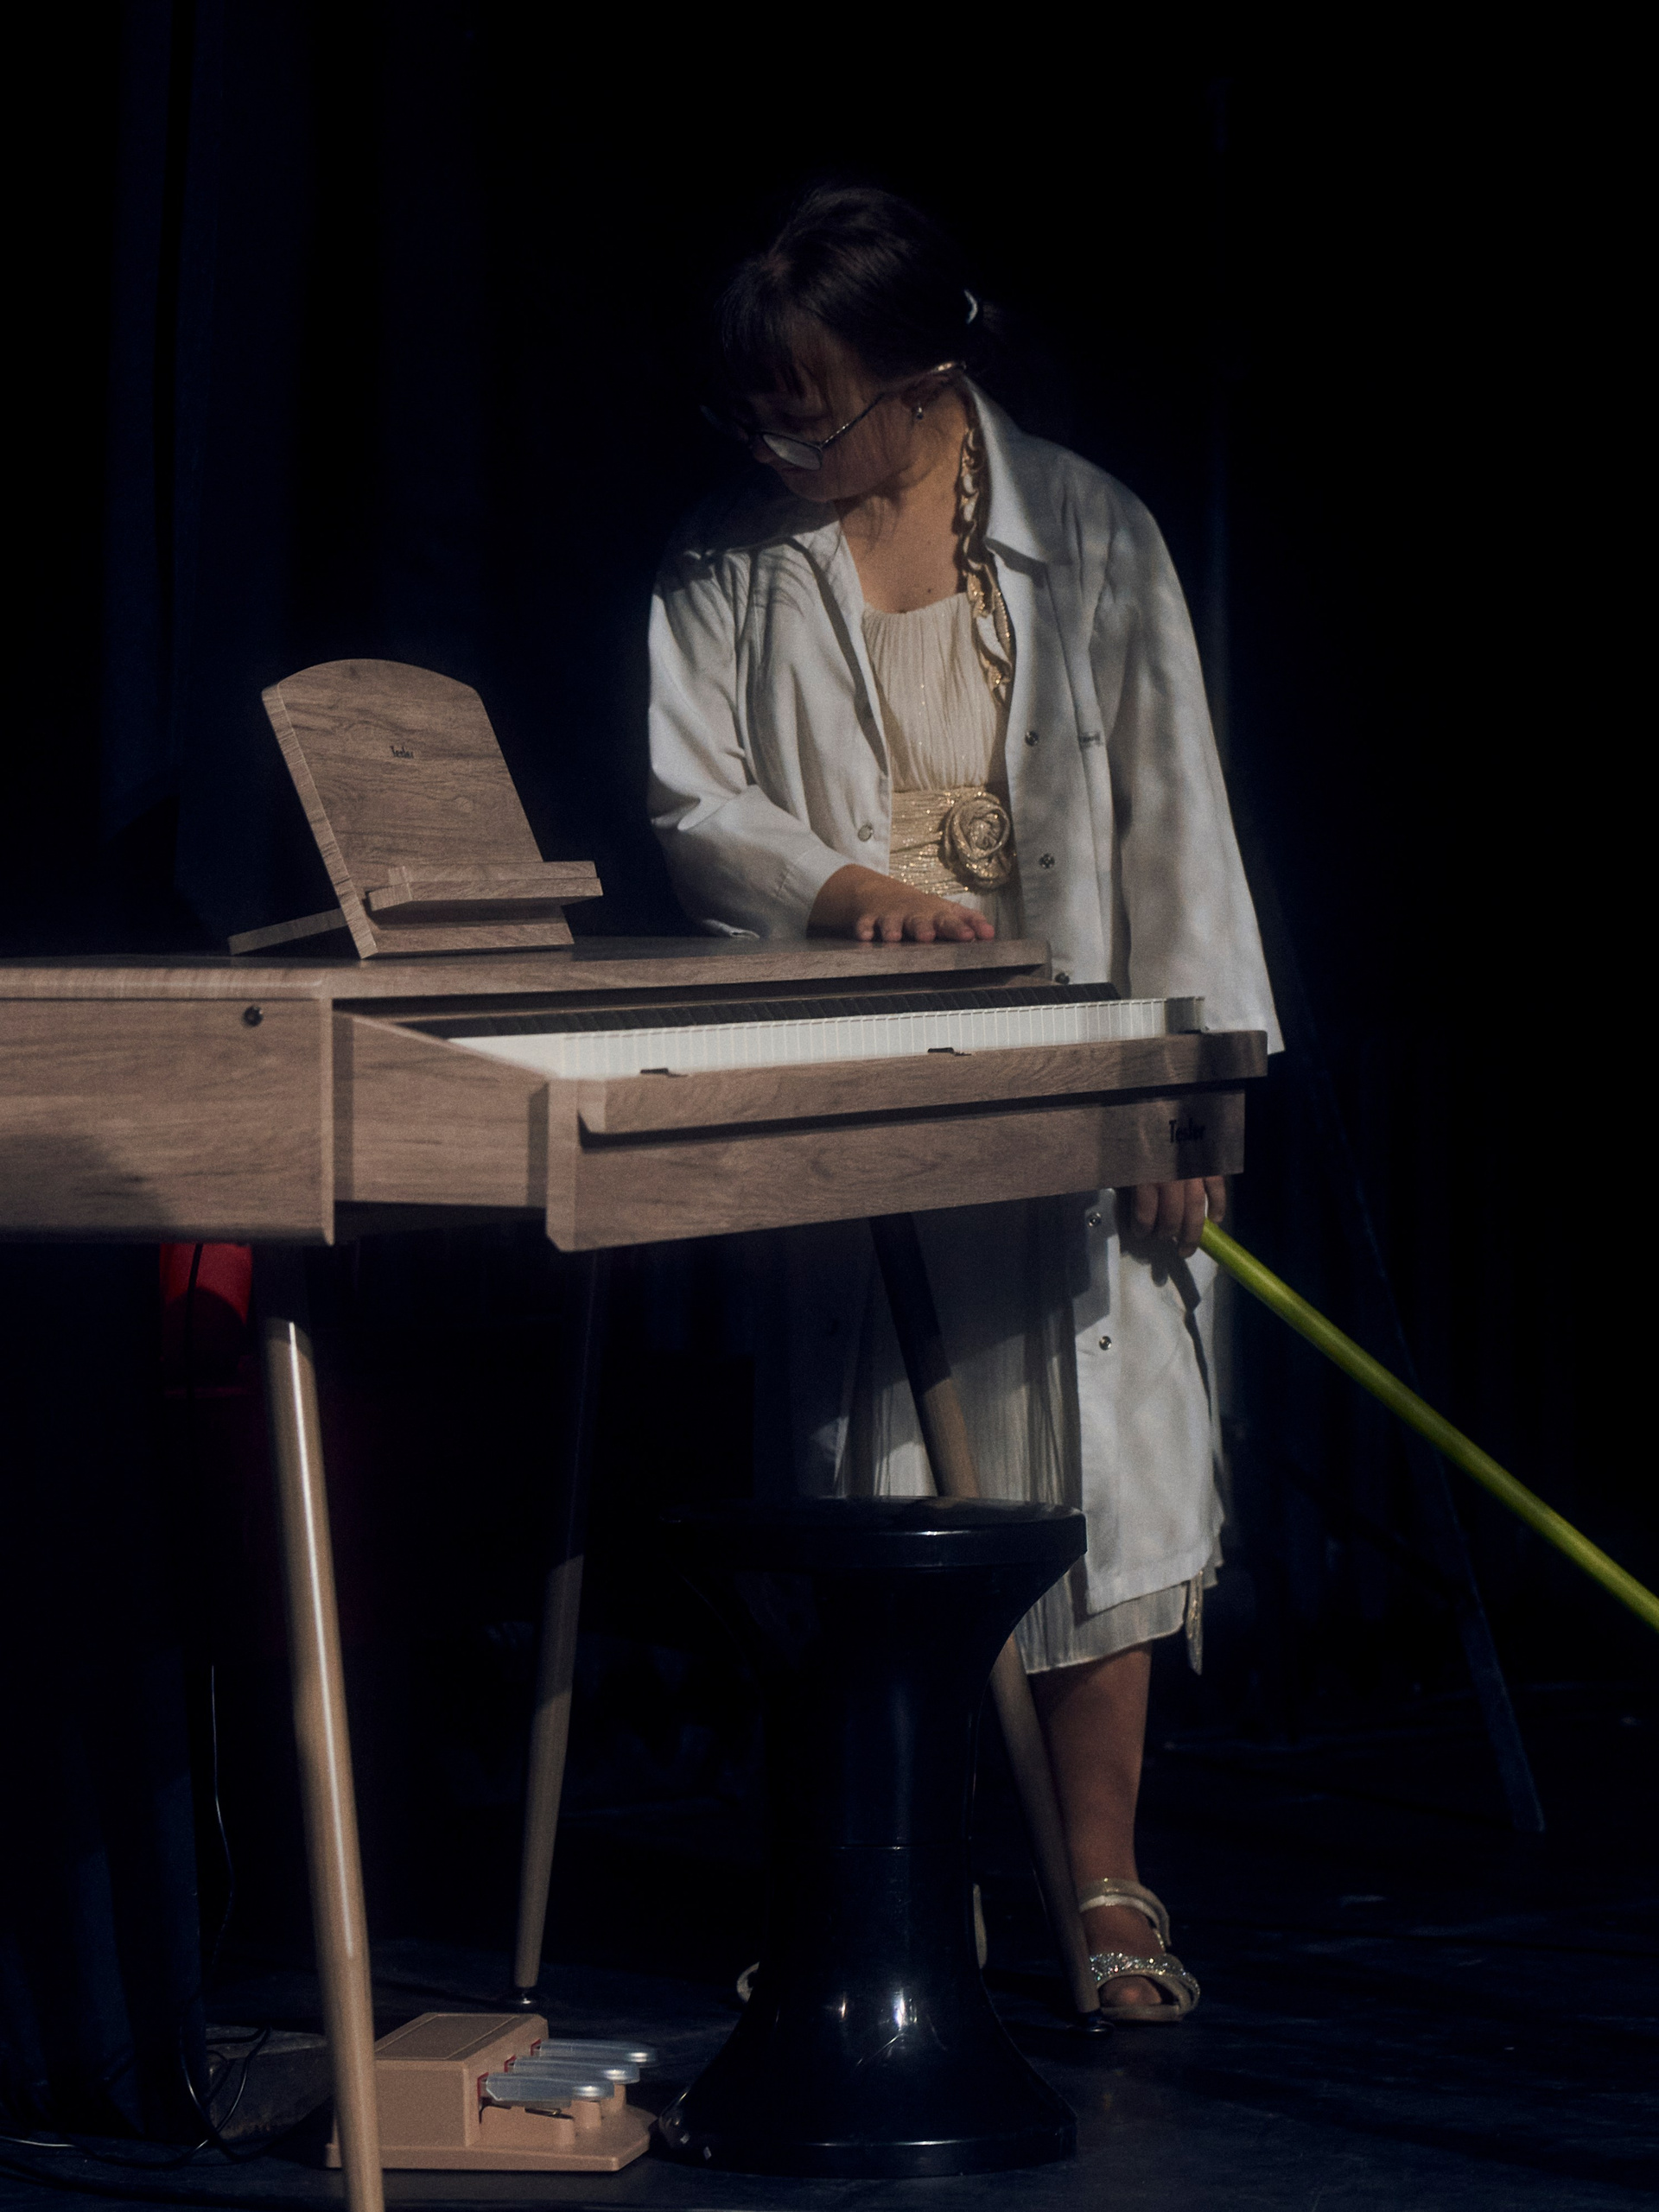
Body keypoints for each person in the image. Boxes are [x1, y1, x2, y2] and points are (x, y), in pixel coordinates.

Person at [647, 184, 1280, 2019]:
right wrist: (847, 890)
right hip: (865, 1082)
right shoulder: (724, 560)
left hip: (1083, 1069)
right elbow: (693, 797)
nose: (778, 448)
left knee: (1105, 1471)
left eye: (813, 412)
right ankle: (888, 1892)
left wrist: (1190, 1096)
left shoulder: (1093, 535)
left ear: (926, 381)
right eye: (756, 414)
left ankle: (1102, 1882)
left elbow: (1180, 825)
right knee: (878, 1488)